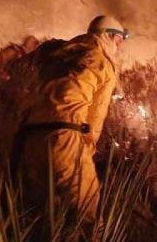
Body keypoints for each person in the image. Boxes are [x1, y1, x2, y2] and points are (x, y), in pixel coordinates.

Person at [12, 15, 128, 222]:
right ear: (108, 36)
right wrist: (88, 147)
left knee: (37, 214)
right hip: (64, 138)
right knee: (86, 209)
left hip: (28, 138)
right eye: (118, 41)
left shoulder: (62, 54)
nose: (118, 48)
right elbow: (96, 114)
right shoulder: (102, 62)